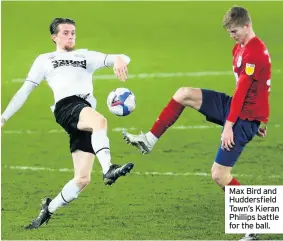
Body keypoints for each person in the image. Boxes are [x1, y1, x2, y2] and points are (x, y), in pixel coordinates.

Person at [122, 6, 270, 241]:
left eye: (234, 31)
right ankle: (149, 140)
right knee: (183, 94)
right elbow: (257, 88)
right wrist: (259, 117)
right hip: (239, 110)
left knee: (219, 175)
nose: (231, 36)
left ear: (247, 26)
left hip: (241, 117)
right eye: (229, 32)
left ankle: (255, 222)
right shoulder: (239, 48)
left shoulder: (255, 53)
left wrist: (233, 125)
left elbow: (244, 91)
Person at [1, 18, 134, 229]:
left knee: (82, 179)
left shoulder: (85, 56)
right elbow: (25, 90)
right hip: (67, 106)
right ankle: (109, 168)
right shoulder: (46, 59)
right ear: (54, 37)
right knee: (100, 120)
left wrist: (118, 59)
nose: (70, 36)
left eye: (73, 32)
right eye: (65, 33)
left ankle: (47, 210)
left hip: (82, 112)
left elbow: (121, 58)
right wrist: (3, 117)